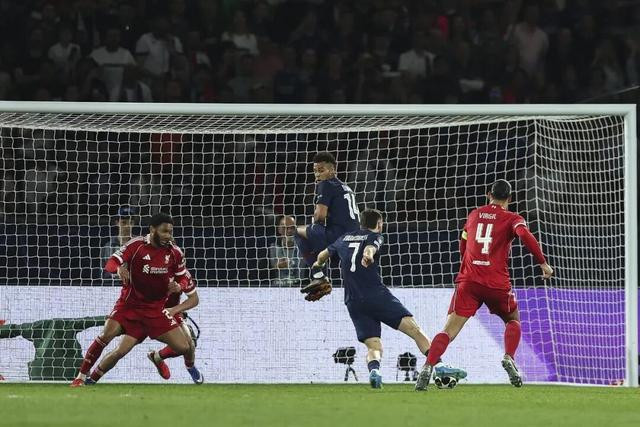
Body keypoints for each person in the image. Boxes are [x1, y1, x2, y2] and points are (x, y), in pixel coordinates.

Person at [414, 180, 554, 390]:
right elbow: (524, 234)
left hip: (469, 281)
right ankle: (509, 357)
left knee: (448, 331)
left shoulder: (474, 215)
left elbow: (463, 243)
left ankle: (428, 366)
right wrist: (543, 263)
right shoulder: (513, 218)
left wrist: (468, 266)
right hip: (496, 283)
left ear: (488, 194)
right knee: (513, 320)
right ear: (510, 198)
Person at [311, 209, 466, 389]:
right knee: (414, 330)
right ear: (379, 224)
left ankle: (374, 371)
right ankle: (439, 366)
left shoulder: (344, 238)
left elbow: (321, 256)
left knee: (373, 345)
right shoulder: (375, 237)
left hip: (353, 301)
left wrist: (317, 269)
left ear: (361, 223)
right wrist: (368, 255)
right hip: (376, 296)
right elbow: (370, 248)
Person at [71, 213, 202, 386]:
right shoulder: (136, 245)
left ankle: (162, 358)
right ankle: (83, 378)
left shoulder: (175, 253)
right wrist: (118, 269)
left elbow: (185, 280)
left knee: (185, 346)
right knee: (110, 339)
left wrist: (180, 287)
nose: (168, 236)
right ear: (152, 230)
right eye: (164, 231)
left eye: (170, 232)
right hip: (129, 306)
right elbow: (111, 262)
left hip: (157, 311)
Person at [291, 152, 360, 287]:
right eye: (315, 171)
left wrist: (316, 219)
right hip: (356, 238)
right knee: (315, 232)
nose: (317, 174)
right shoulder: (346, 187)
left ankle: (319, 276)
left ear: (332, 169)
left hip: (339, 236)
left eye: (321, 170)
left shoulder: (326, 184)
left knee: (298, 232)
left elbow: (319, 217)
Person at [147, 265, 200, 382]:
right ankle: (157, 357)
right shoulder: (151, 271)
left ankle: (189, 366)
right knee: (124, 346)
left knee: (190, 345)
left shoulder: (183, 274)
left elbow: (194, 299)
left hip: (171, 311)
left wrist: (176, 309)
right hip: (150, 311)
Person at [101, 207, 136, 277]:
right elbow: (103, 272)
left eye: (130, 223)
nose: (127, 226)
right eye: (123, 222)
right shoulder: (108, 246)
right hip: (112, 282)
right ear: (117, 223)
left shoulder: (139, 244)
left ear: (133, 224)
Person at [270, 215, 303, 286]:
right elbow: (265, 269)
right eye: (285, 228)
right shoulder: (272, 248)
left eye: (292, 228)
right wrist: (277, 266)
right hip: (277, 286)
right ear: (279, 229)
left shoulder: (303, 247)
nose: (289, 231)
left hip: (300, 285)